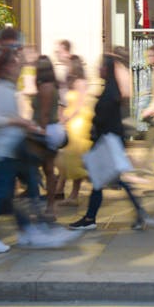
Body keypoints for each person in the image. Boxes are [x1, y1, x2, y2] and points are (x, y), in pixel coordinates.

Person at [0, 49, 76, 253]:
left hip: (15, 146)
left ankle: (29, 229)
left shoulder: (6, 87)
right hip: (4, 149)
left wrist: (25, 124)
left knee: (26, 185)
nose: (18, 68)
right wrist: (19, 121)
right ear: (4, 67)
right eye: (14, 64)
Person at [68, 52, 147, 231]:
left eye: (101, 66)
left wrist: (94, 132)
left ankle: (91, 217)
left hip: (107, 141)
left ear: (106, 69)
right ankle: (92, 217)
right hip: (108, 140)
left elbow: (103, 119)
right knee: (102, 180)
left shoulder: (110, 92)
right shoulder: (110, 89)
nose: (98, 68)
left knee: (104, 179)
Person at [57, 55, 93, 206]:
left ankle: (74, 194)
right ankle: (72, 194)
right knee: (70, 160)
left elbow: (78, 106)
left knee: (74, 159)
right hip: (73, 123)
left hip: (78, 124)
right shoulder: (73, 82)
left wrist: (64, 119)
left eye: (69, 65)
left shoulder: (80, 82)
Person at [33, 55, 61, 218]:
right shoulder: (49, 86)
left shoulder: (45, 87)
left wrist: (40, 133)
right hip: (49, 129)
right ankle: (49, 206)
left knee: (47, 169)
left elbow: (43, 114)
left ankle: (49, 206)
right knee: (48, 169)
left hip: (45, 129)